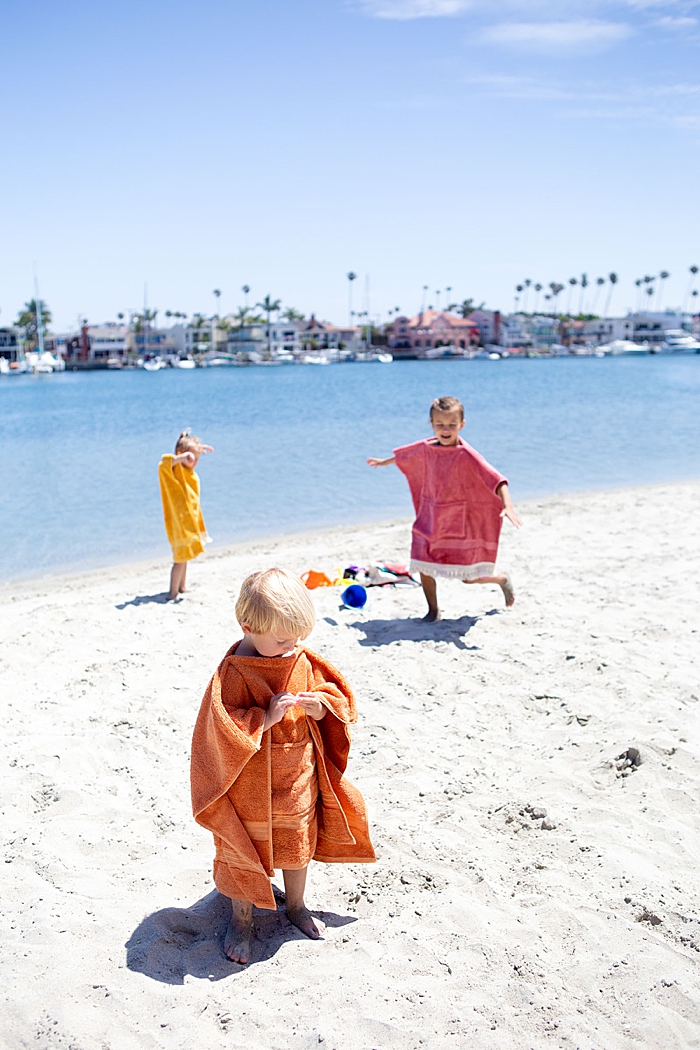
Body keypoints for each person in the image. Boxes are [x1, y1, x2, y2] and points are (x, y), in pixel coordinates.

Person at [190, 567, 375, 964]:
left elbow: (336, 695)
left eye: (299, 637)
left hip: (296, 778)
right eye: (282, 639)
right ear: (248, 625)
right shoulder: (233, 672)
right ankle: (241, 920)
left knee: (297, 845)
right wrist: (263, 720)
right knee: (244, 849)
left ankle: (296, 906)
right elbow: (218, 728)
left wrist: (320, 705)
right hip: (249, 786)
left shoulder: (297, 657)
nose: (293, 647)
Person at [367, 395, 522, 622]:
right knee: (423, 562)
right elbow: (406, 457)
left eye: (452, 425)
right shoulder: (427, 447)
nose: (446, 429)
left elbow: (497, 479)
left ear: (462, 425)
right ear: (432, 425)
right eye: (440, 425)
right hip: (429, 518)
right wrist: (384, 462)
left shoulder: (466, 454)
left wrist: (508, 505)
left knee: (468, 577)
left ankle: (501, 579)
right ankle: (433, 611)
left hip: (458, 522)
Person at [158, 430, 213, 601]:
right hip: (179, 522)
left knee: (186, 556)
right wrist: (182, 458)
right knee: (180, 558)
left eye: (197, 458)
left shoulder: (188, 472)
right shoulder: (175, 469)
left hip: (189, 521)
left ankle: (182, 586)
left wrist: (196, 448)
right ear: (181, 456)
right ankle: (172, 592)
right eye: (192, 458)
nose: (195, 461)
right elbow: (163, 463)